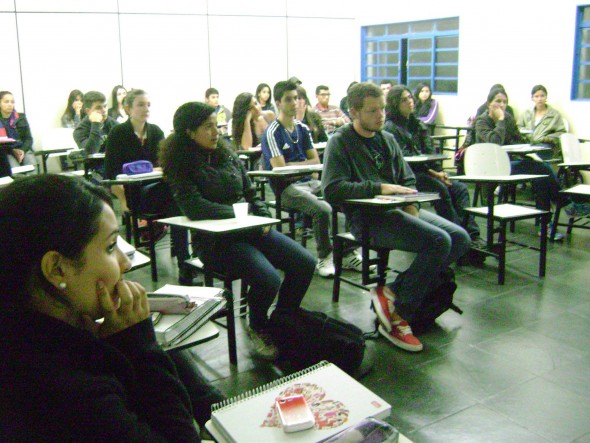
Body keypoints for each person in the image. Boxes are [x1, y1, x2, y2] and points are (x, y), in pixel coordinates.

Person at [0, 174, 200, 440]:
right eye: (110, 246)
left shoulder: (31, 330)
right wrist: (142, 347)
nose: (125, 264)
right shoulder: (66, 389)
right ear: (57, 269)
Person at [160, 101, 316, 360]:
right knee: (268, 278)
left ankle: (283, 318)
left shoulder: (227, 154)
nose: (215, 132)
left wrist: (262, 216)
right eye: (208, 127)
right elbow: (194, 206)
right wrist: (240, 214)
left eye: (216, 126)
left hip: (251, 230)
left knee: (305, 263)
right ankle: (258, 326)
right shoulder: (180, 163)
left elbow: (251, 192)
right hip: (217, 243)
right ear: (189, 132)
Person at [321, 82, 470, 352]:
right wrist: (378, 187)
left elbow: (407, 177)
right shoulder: (340, 143)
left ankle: (391, 292)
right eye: (372, 111)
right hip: (367, 219)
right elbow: (331, 189)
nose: (380, 116)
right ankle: (399, 316)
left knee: (459, 238)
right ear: (354, 112)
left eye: (381, 109)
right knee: (438, 241)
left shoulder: (387, 139)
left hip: (400, 209)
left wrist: (410, 202)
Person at [262, 81, 367, 278]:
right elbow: (279, 167)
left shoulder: (303, 129)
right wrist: (303, 165)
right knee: (323, 209)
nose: (295, 103)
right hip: (286, 188)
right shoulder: (272, 132)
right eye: (288, 99)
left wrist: (296, 165)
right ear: (277, 103)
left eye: (297, 98)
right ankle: (324, 256)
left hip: (310, 183)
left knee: (347, 198)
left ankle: (346, 253)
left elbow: (316, 160)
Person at [474, 87, 583, 239]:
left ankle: (545, 225)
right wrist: (500, 121)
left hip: (508, 162)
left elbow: (518, 138)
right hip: (488, 166)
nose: (502, 105)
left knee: (542, 176)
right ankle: (565, 204)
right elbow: (495, 142)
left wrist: (530, 145)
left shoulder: (508, 119)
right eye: (498, 101)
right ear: (488, 103)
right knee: (542, 169)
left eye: (505, 102)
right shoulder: (481, 121)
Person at [383, 85, 483, 249]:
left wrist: (440, 171)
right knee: (440, 190)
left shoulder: (417, 124)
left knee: (460, 189)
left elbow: (430, 151)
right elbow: (404, 162)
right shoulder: (391, 128)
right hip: (408, 177)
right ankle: (459, 238)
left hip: (427, 172)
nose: (410, 102)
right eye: (404, 99)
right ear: (395, 103)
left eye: (410, 97)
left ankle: (472, 235)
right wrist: (435, 174)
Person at [517, 84, 566, 160]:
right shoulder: (526, 113)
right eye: (536, 96)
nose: (539, 99)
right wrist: (525, 134)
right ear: (532, 98)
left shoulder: (554, 114)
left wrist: (547, 138)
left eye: (542, 96)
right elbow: (518, 128)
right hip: (527, 145)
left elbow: (561, 133)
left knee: (537, 161)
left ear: (546, 97)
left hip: (545, 147)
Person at [73, 90, 119, 156]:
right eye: (98, 108)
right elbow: (91, 151)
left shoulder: (113, 123)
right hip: (94, 165)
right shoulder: (80, 130)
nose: (104, 110)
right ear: (88, 111)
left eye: (105, 106)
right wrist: (96, 124)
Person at [0, 91, 36, 170]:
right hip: (7, 152)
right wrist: (13, 151)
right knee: (15, 171)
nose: (10, 104)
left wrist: (22, 150)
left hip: (23, 149)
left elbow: (29, 139)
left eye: (12, 102)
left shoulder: (21, 117)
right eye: (6, 102)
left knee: (33, 168)